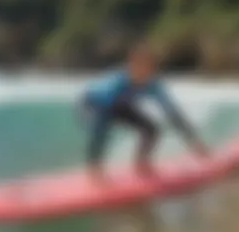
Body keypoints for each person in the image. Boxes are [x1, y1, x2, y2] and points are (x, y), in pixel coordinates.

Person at [77, 44, 209, 182]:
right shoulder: (117, 84)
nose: (144, 73)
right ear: (131, 66)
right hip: (92, 103)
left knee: (151, 129)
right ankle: (94, 169)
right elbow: (102, 118)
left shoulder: (153, 84)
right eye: (140, 67)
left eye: (149, 68)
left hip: (120, 106)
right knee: (102, 129)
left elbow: (173, 114)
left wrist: (194, 143)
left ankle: (141, 164)